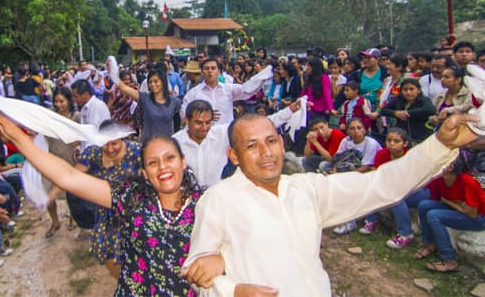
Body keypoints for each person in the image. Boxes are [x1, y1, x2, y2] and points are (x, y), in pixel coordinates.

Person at [183, 110, 479, 296]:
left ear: (282, 144)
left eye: (271, 141)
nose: (266, 152)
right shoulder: (219, 199)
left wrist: (441, 144)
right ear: (233, 156)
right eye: (251, 146)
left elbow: (380, 184)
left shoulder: (306, 189)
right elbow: (197, 271)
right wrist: (233, 290)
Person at [0, 112, 214, 296]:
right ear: (144, 173)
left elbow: (236, 242)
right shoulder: (130, 197)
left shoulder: (208, 202)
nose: (163, 167)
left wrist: (219, 260)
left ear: (183, 162)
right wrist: (19, 139)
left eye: (170, 158)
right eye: (153, 163)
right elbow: (68, 176)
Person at [75, 121, 142, 279]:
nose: (110, 148)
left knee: (138, 257)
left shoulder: (137, 151)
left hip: (133, 214)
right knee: (108, 254)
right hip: (106, 216)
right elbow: (72, 177)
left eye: (114, 143)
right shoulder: (93, 153)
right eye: (105, 144)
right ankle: (123, 285)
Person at [415, 155, 485, 273]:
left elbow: (471, 214)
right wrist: (456, 204)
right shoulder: (439, 179)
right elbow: (438, 198)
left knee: (434, 215)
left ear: (450, 167)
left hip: (479, 217)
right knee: (424, 206)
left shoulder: (468, 182)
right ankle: (431, 244)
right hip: (459, 209)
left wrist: (448, 201)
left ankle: (449, 260)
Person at [331, 118, 382, 235]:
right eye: (352, 129)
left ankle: (349, 220)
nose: (356, 131)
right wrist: (335, 173)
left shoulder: (371, 144)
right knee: (326, 170)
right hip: (349, 171)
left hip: (367, 174)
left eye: (359, 128)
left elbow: (366, 167)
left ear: (364, 130)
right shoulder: (346, 141)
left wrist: (344, 176)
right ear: (348, 131)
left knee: (347, 186)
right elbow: (338, 159)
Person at [181, 58, 271, 125]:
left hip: (225, 135)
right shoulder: (193, 93)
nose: (210, 71)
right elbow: (183, 114)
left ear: (219, 71)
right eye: (206, 68)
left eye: (213, 68)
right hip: (203, 136)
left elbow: (248, 90)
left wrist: (263, 75)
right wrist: (202, 116)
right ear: (202, 72)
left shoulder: (228, 89)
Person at [46, 87, 80, 234]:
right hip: (52, 157)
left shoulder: (75, 116)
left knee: (71, 192)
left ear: (69, 101)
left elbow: (79, 140)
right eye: (56, 101)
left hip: (69, 157)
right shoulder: (50, 116)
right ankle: (55, 221)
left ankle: (73, 217)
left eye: (62, 101)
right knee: (48, 192)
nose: (59, 104)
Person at [115, 67, 181, 142]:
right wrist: (112, 70)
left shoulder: (174, 101)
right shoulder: (144, 98)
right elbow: (123, 87)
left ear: (163, 82)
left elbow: (177, 125)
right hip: (147, 143)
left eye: (156, 81)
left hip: (166, 144)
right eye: (150, 82)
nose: (152, 84)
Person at [380, 79, 435, 144]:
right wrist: (396, 113)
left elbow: (430, 109)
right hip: (401, 135)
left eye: (411, 89)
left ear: (419, 90)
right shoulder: (399, 99)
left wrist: (408, 113)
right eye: (405, 89)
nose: (408, 92)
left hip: (420, 136)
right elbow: (383, 110)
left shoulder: (424, 100)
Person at [71, 79, 110, 150]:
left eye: (76, 96)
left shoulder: (97, 106)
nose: (74, 99)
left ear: (85, 94)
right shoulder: (84, 108)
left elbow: (93, 134)